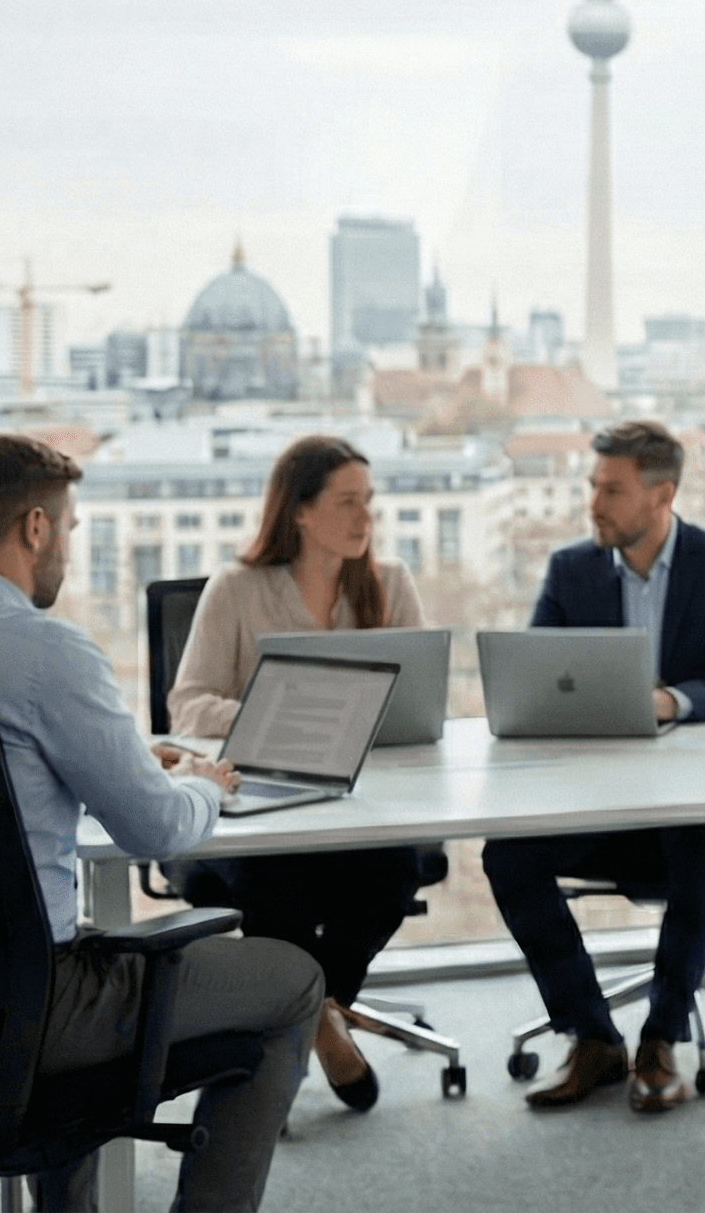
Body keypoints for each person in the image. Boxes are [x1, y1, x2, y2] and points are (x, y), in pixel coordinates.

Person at [0, 434, 325, 1213]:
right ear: (36, 527)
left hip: (12, 998)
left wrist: (110, 755)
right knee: (295, 985)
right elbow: (156, 832)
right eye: (70, 531)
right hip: (39, 1003)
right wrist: (206, 784)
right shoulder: (44, 654)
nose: (68, 549)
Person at [486, 420, 705, 1113]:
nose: (593, 503)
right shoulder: (573, 570)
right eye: (592, 486)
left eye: (611, 489)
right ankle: (592, 1035)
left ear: (662, 494)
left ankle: (660, 1038)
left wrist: (672, 700)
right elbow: (536, 674)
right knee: (507, 855)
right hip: (603, 800)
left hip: (698, 805)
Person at [167, 433, 425, 1112]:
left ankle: (316, 1011)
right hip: (259, 800)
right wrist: (280, 711)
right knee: (274, 883)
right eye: (346, 503)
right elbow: (187, 703)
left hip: (358, 805)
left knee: (395, 871)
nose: (364, 518)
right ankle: (321, 1024)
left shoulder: (391, 584)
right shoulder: (237, 589)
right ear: (299, 511)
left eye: (368, 502)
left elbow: (419, 702)